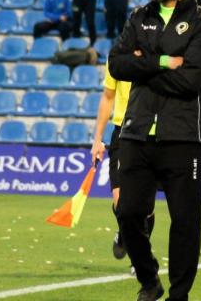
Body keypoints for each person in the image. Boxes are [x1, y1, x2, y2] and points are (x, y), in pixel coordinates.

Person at [108, 0, 201, 301]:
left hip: (183, 137)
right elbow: (116, 64)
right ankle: (149, 279)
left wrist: (143, 65)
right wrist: (164, 62)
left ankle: (178, 296)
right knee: (126, 214)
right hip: (137, 132)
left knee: (185, 223)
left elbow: (190, 81)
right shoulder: (139, 17)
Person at [90, 63, 155, 268]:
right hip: (123, 133)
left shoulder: (157, 53)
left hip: (151, 135)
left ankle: (139, 256)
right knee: (122, 205)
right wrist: (97, 139)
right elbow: (108, 97)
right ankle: (130, 240)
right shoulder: (117, 57)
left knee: (146, 209)